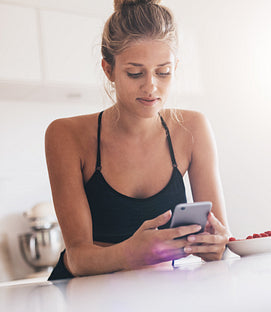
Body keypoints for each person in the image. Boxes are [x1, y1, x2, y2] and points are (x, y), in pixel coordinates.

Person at [45, 0, 230, 280]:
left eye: (163, 72)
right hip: (86, 298)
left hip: (161, 292)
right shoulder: (66, 135)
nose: (150, 87)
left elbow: (219, 237)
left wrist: (216, 245)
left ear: (175, 67)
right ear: (109, 70)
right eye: (135, 73)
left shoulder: (193, 127)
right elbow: (77, 258)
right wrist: (128, 253)